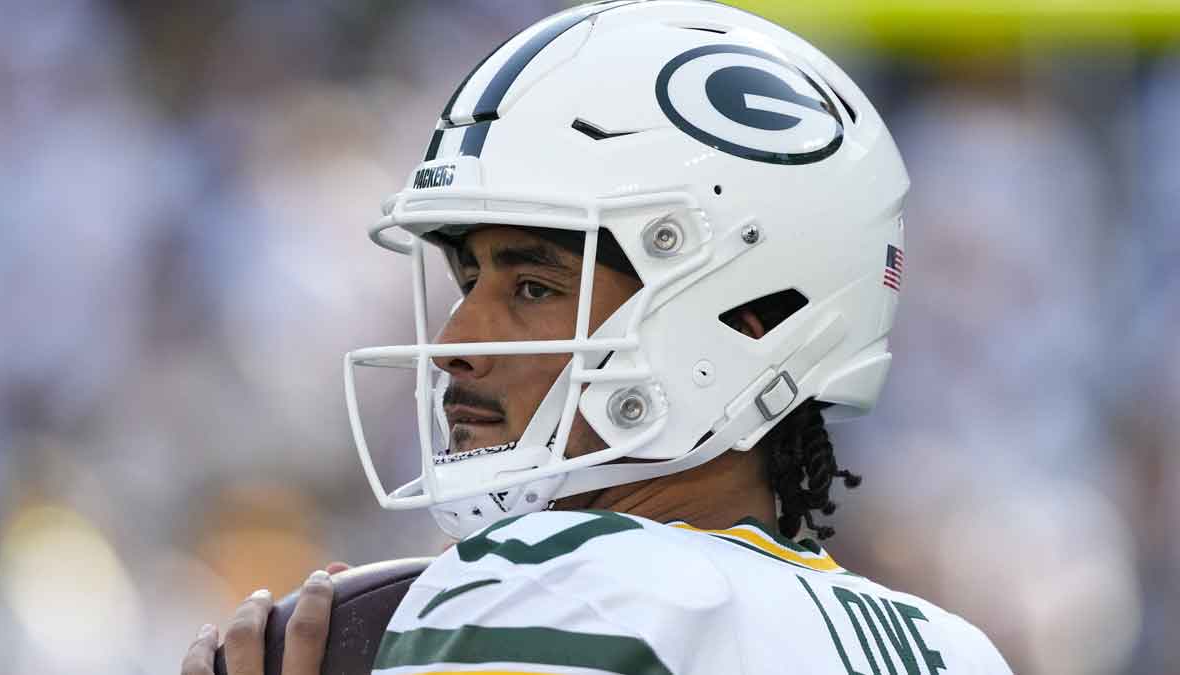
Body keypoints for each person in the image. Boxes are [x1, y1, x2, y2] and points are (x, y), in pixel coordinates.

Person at [183, 1, 1012, 673]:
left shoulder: (555, 586)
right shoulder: (951, 650)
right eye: (466, 283)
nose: (454, 343)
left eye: (534, 287)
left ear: (748, 319)